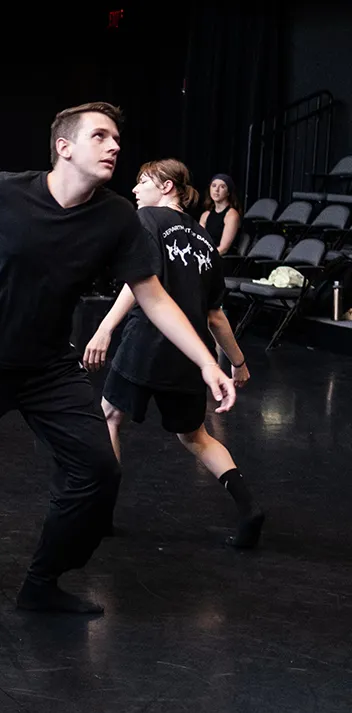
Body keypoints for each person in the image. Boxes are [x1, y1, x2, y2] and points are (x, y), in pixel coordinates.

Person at [0, 102, 237, 615]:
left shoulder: (118, 217)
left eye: (117, 139)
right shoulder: (4, 192)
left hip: (48, 369)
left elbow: (151, 294)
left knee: (99, 469)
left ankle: (43, 581)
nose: (114, 146)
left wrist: (207, 361)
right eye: (100, 136)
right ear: (64, 147)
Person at [83, 159, 264, 548]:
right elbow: (215, 316)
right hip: (191, 351)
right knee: (195, 435)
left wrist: (103, 327)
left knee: (110, 417)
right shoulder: (204, 241)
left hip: (147, 342)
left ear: (166, 187)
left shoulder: (147, 220)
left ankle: (99, 514)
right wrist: (238, 362)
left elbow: (140, 283)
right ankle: (249, 507)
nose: (135, 191)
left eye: (142, 182)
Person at [199, 174, 241, 255]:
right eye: (214, 186)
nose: (217, 190)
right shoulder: (205, 215)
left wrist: (204, 258)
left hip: (222, 259)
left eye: (222, 187)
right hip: (207, 257)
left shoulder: (232, 215)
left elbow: (223, 249)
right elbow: (199, 242)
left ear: (228, 192)